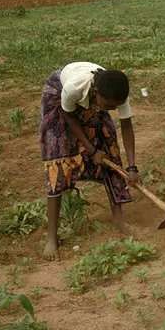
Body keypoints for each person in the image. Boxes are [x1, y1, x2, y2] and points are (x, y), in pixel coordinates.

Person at [39, 62, 140, 261]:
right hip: (59, 100)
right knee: (58, 158)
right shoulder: (73, 89)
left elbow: (126, 127)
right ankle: (52, 237)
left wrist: (132, 167)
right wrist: (91, 149)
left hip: (89, 99)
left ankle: (119, 220)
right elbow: (69, 116)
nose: (112, 109)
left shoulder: (117, 93)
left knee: (110, 151)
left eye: (116, 106)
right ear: (96, 92)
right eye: (109, 105)